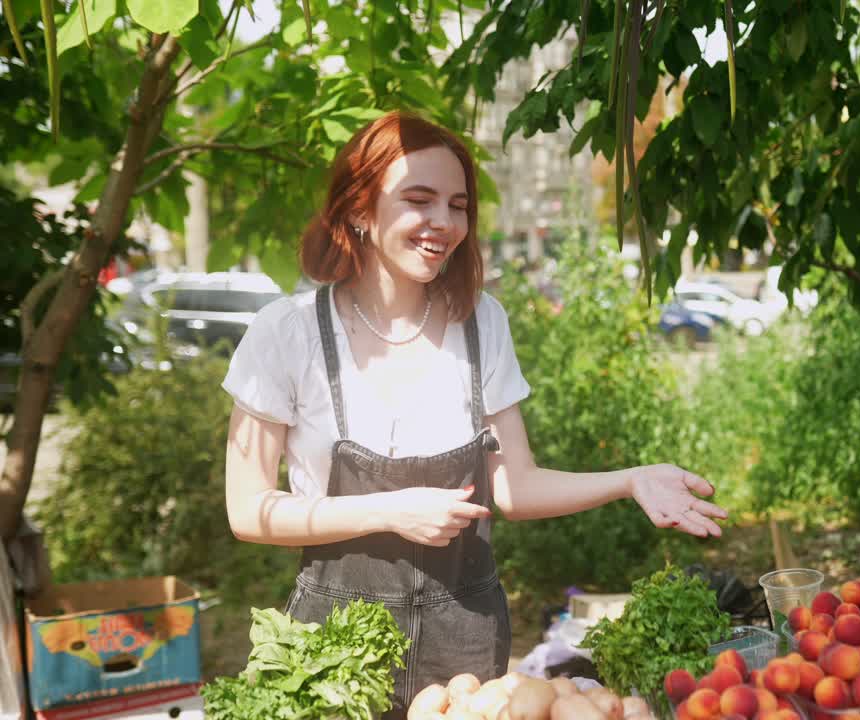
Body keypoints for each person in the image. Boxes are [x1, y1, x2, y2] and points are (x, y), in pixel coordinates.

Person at [221, 111, 727, 717]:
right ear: (358, 209)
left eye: (458, 205)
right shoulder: (287, 332)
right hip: (333, 658)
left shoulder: (482, 322)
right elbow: (249, 510)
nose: (444, 222)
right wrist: (391, 511)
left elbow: (513, 485)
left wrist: (630, 480)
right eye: (419, 199)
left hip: (466, 646)